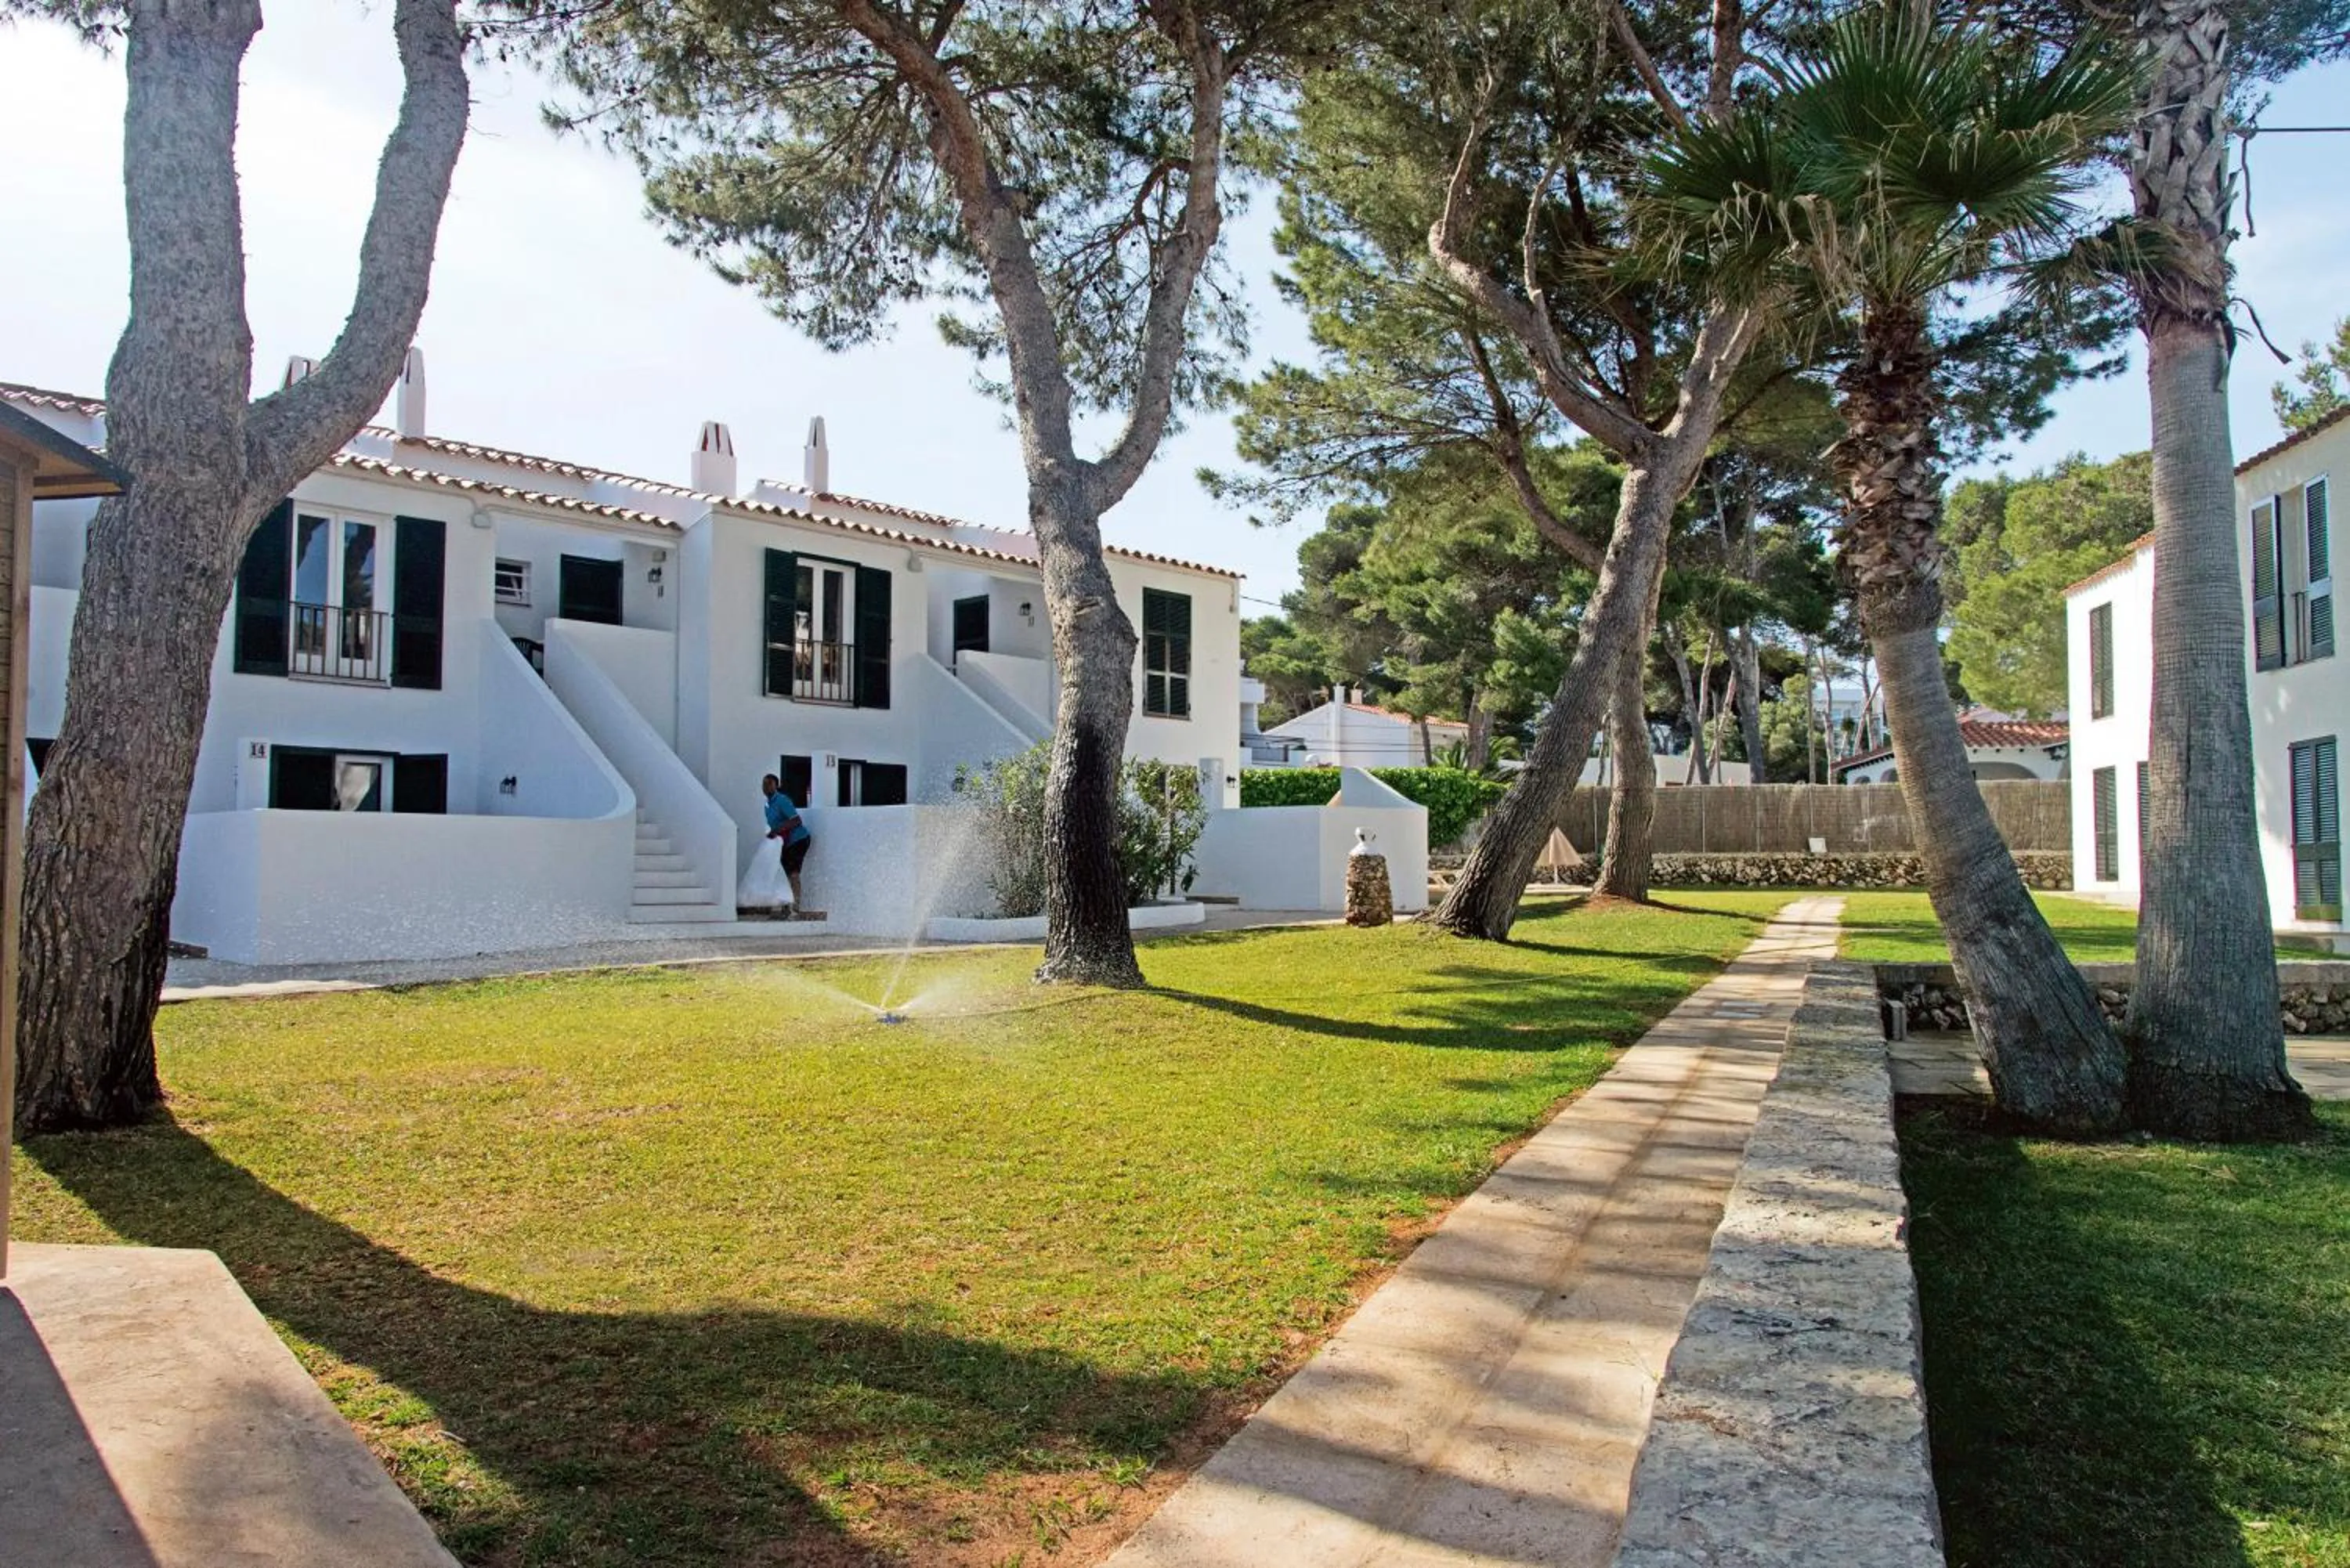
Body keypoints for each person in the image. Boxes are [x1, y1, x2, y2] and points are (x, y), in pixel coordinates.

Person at [761, 772, 813, 912]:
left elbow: (796, 820)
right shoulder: (767, 805)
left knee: (793, 872)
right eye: (764, 784)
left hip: (798, 840)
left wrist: (776, 830)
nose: (766, 787)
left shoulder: (782, 800)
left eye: (769, 784)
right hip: (786, 842)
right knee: (784, 874)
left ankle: (795, 907)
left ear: (776, 786)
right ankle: (786, 906)